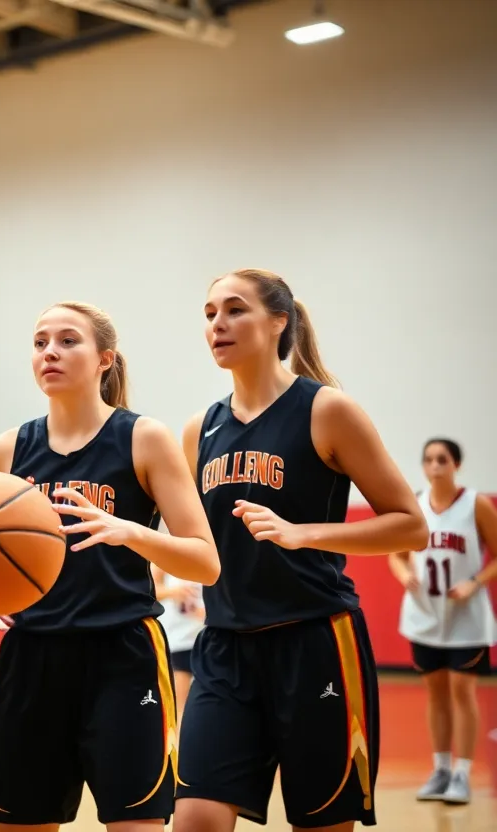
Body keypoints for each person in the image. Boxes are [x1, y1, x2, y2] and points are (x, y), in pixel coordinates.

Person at [174, 268, 430, 831]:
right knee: (194, 818)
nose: (218, 323)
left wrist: (304, 532)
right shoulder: (199, 431)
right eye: (210, 312)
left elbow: (411, 526)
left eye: (235, 309)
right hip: (223, 649)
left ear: (278, 322)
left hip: (314, 640)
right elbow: (187, 539)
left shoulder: (326, 410)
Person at [0, 301, 219, 832]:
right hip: (31, 657)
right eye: (40, 343)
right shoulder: (7, 449)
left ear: (105, 358)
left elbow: (206, 561)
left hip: (123, 655)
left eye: (68, 341)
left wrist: (128, 530)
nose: (50, 353)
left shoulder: (143, 438)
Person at [390, 437, 497, 805]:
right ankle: (440, 769)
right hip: (424, 617)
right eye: (429, 459)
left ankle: (463, 774)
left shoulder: (475, 504)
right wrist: (403, 573)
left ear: (456, 466)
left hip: (466, 619)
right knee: (435, 695)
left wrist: (474, 582)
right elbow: (396, 555)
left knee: (463, 693)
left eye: (443, 459)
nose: (435, 465)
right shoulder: (415, 505)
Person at [153, 559, 205, 722]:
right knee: (178, 706)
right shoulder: (164, 557)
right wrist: (174, 592)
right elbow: (150, 590)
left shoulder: (210, 554)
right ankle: (180, 744)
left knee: (206, 701)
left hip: (205, 639)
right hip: (178, 640)